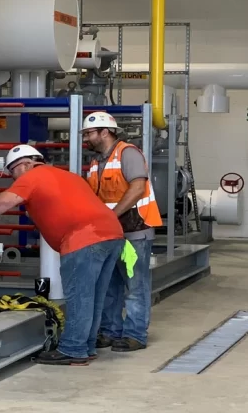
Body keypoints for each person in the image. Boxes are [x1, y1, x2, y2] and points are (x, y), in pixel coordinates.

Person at [0, 144, 125, 366]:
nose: (13, 179)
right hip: (112, 234)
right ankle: (86, 347)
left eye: (12, 173)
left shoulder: (32, 175)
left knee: (79, 297)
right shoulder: (67, 176)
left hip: (84, 237)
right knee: (94, 297)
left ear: (23, 165)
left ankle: (73, 349)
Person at [82, 111, 162, 353]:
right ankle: (110, 331)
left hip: (134, 231)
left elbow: (137, 188)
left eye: (89, 133)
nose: (86, 138)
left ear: (105, 132)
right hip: (111, 232)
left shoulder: (128, 153)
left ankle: (135, 334)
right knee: (110, 284)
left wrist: (111, 216)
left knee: (135, 284)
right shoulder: (97, 161)